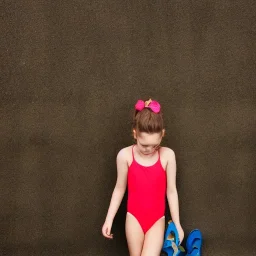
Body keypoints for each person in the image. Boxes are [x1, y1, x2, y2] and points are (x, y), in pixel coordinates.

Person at [102, 98, 184, 256]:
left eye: (155, 145)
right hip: (134, 219)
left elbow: (172, 191)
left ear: (162, 135)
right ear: (135, 134)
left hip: (156, 220)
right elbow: (119, 189)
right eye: (144, 145)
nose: (149, 149)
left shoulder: (167, 155)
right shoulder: (125, 155)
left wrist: (177, 224)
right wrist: (109, 219)